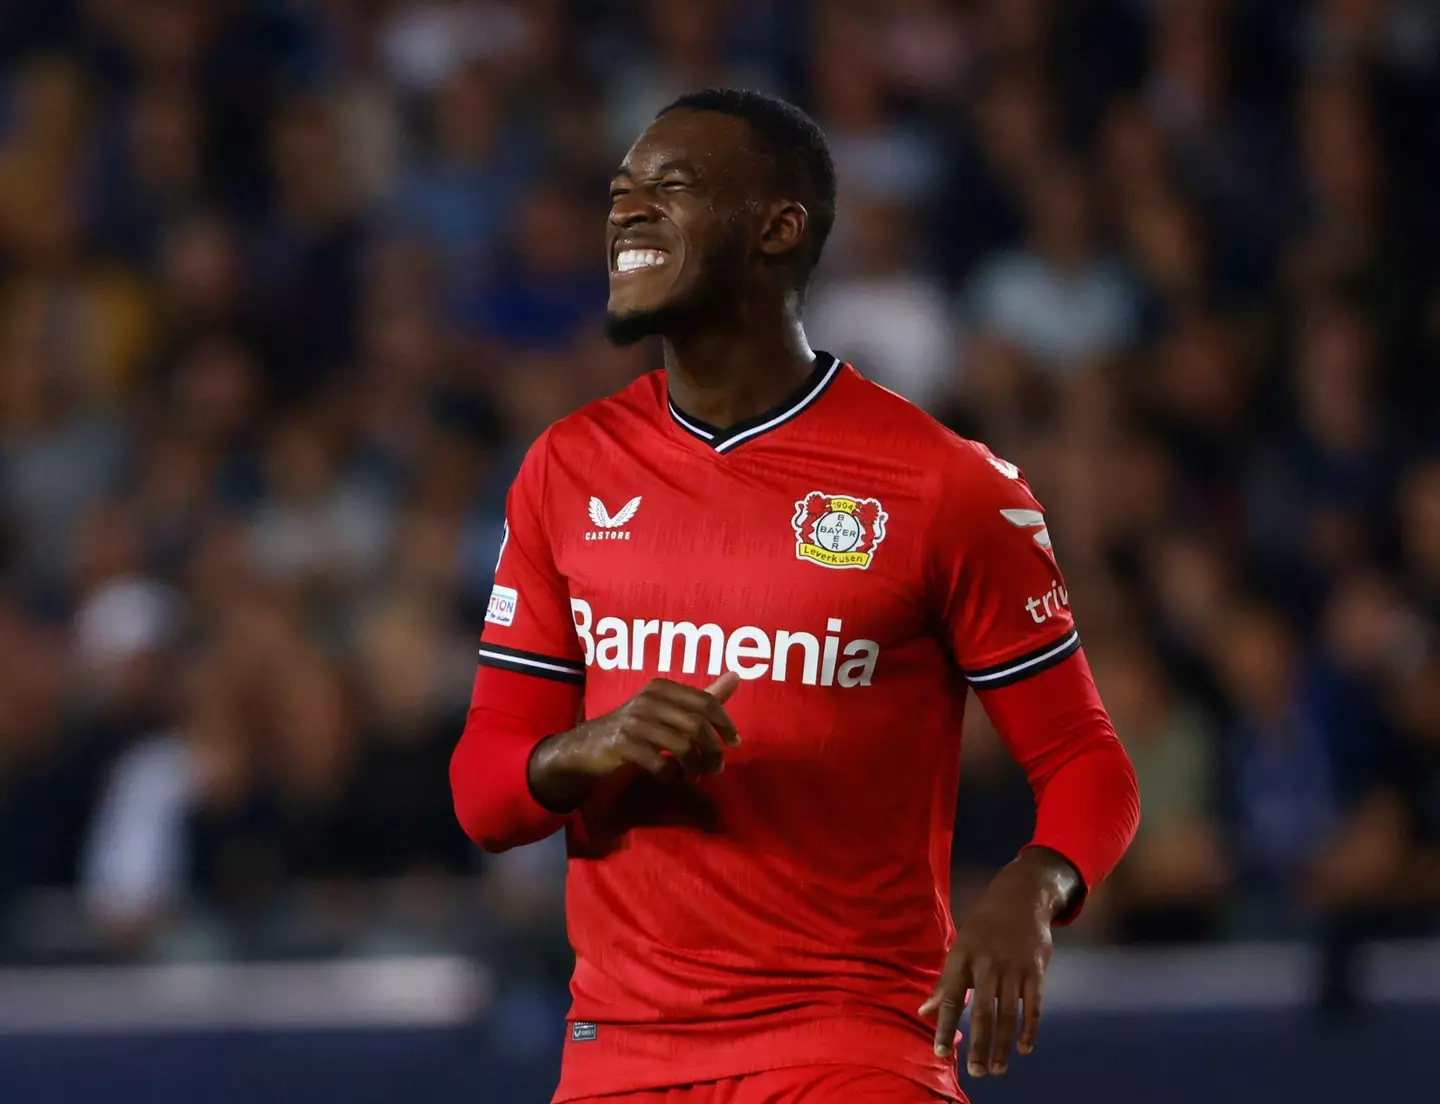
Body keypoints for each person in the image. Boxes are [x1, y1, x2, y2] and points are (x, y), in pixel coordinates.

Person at [451, 89, 1140, 1104]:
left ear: (778, 228)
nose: (626, 213)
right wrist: (584, 748)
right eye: (621, 192)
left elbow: (1085, 760)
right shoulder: (566, 470)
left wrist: (1035, 887)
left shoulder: (941, 485)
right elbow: (483, 790)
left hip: (848, 1046)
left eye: (669, 188)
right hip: (618, 1060)